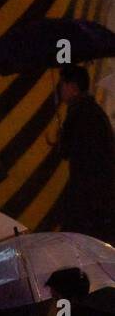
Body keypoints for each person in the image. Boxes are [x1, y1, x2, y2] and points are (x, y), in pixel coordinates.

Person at [53, 64, 115, 242]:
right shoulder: (94, 111)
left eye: (62, 85)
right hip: (100, 197)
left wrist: (62, 134)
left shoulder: (80, 113)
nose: (60, 90)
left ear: (72, 87)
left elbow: (66, 151)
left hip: (87, 200)